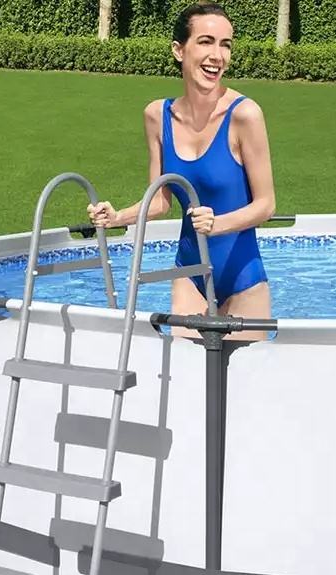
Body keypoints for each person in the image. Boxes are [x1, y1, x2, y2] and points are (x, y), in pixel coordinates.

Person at [87, 2, 275, 340]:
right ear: (179, 50)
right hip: (189, 274)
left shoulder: (245, 115)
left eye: (225, 45)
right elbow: (160, 201)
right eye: (205, 42)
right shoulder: (157, 116)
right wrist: (116, 218)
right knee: (183, 370)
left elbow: (266, 205)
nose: (217, 55)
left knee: (245, 374)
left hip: (242, 278)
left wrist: (218, 224)